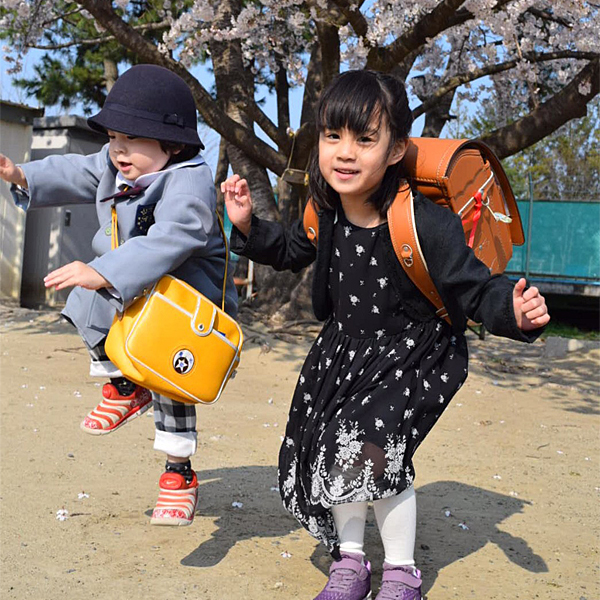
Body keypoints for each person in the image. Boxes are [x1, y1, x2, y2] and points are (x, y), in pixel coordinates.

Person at [222, 70, 549, 600]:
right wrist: (247, 227)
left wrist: (512, 310)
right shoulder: (324, 209)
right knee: (334, 450)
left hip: (415, 355)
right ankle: (350, 563)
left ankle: (401, 572)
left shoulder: (427, 222)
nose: (344, 154)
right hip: (345, 353)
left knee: (374, 453)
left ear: (396, 149)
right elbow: (291, 251)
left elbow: (473, 289)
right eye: (333, 137)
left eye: (364, 139)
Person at [0, 64, 237, 527]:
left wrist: (103, 271)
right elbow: (73, 170)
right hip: (136, 285)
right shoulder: (114, 166)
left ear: (171, 144)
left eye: (131, 139)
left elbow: (175, 238)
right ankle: (126, 385)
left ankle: (178, 475)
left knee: (169, 383)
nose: (117, 150)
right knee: (83, 299)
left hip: (185, 300)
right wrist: (21, 174)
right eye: (112, 137)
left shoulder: (189, 179)